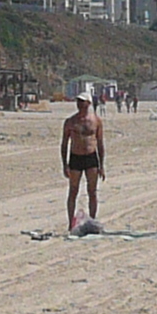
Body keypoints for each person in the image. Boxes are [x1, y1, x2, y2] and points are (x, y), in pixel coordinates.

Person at [62, 93, 106, 233]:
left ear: (89, 103)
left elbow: (100, 143)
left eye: (82, 102)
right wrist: (65, 164)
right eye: (78, 102)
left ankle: (92, 221)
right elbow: (64, 144)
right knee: (73, 191)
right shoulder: (70, 122)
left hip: (91, 157)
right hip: (75, 157)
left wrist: (101, 165)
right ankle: (70, 223)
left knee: (92, 191)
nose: (79, 105)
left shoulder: (96, 121)